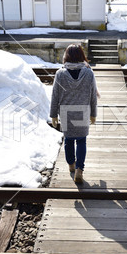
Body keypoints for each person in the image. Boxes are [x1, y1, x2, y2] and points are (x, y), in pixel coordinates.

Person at [50, 44, 97, 183]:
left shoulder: (60, 73)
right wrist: (93, 114)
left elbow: (55, 96)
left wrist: (53, 115)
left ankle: (71, 165)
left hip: (65, 112)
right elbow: (93, 96)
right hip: (82, 111)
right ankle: (79, 169)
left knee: (68, 140)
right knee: (82, 141)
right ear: (82, 56)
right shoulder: (89, 73)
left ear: (67, 56)